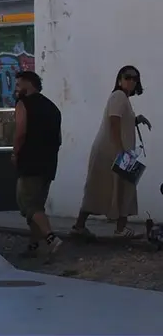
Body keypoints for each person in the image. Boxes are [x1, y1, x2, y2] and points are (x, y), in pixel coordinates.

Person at [72, 65, 153, 240]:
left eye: (134, 78)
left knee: (102, 188)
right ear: (119, 79)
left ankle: (80, 226)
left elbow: (121, 122)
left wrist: (137, 120)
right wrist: (120, 150)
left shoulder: (122, 98)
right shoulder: (118, 96)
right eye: (127, 77)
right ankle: (119, 229)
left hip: (112, 150)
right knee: (120, 187)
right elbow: (114, 122)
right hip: (113, 151)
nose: (131, 81)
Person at [11, 71, 63, 257]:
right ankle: (33, 245)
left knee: (27, 205)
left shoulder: (23, 104)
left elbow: (20, 133)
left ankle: (51, 238)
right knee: (37, 206)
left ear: (29, 85)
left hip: (30, 161)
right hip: (48, 163)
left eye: (18, 85)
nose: (16, 88)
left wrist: (15, 153)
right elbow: (59, 138)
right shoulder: (52, 107)